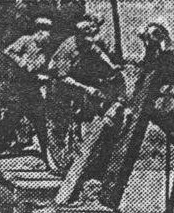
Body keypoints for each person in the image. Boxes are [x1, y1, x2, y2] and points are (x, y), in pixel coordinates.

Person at [46, 19, 122, 171]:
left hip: (75, 84)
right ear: (78, 36)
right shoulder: (67, 49)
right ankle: (56, 161)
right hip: (59, 85)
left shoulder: (87, 43)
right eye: (87, 40)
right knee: (59, 123)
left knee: (81, 116)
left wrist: (112, 66)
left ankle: (75, 154)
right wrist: (86, 89)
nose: (90, 43)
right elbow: (63, 77)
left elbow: (99, 53)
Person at [0, 17, 54, 162]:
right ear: (39, 32)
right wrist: (23, 63)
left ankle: (47, 156)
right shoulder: (26, 40)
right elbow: (8, 51)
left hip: (33, 89)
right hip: (19, 88)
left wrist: (42, 76)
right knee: (10, 120)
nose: (49, 36)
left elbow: (37, 69)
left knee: (40, 121)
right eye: (47, 32)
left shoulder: (43, 49)